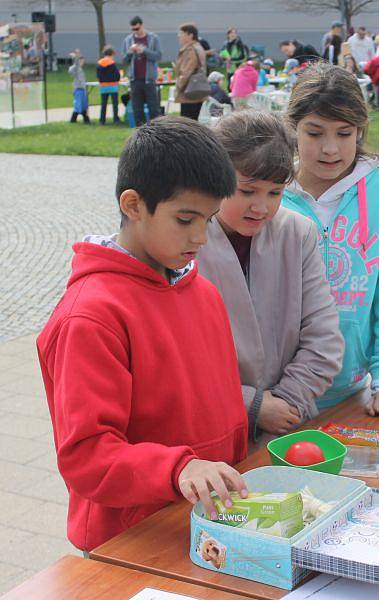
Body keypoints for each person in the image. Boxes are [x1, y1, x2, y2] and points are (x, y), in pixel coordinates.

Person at [36, 116, 250, 552]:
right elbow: (86, 455)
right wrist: (178, 469)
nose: (199, 238)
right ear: (133, 204)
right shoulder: (91, 317)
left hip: (209, 519)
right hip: (130, 539)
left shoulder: (202, 291)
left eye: (207, 220)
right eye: (184, 219)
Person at [198, 111, 344, 441]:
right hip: (210, 432)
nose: (261, 207)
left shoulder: (298, 233)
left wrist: (286, 402)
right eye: (247, 191)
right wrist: (252, 406)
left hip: (286, 426)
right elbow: (179, 359)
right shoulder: (187, 242)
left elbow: (324, 336)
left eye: (275, 193)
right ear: (215, 179)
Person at [282, 63, 379, 417]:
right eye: (314, 133)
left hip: (351, 394)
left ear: (360, 130)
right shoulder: (269, 194)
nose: (330, 149)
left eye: (344, 134)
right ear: (292, 128)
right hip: (276, 393)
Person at [121, 16, 162, 127]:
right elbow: (124, 60)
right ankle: (140, 135)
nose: (135, 32)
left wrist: (144, 50)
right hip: (134, 79)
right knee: (137, 110)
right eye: (133, 29)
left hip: (149, 79)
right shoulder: (128, 40)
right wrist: (130, 52)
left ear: (142, 25)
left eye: (137, 29)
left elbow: (158, 56)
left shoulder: (153, 38)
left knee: (154, 109)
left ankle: (157, 133)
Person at [174, 23, 207, 121]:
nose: (179, 36)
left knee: (187, 123)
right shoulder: (198, 47)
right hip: (197, 89)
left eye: (181, 33)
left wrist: (179, 85)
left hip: (189, 91)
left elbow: (186, 72)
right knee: (194, 122)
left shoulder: (190, 50)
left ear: (190, 35)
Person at [96, 45, 121, 125]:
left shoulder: (99, 63)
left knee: (104, 103)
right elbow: (117, 74)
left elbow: (98, 75)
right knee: (115, 103)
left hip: (103, 86)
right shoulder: (112, 63)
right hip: (113, 86)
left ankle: (102, 120)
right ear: (112, 54)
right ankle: (116, 119)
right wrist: (117, 80)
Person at [68, 50, 90, 124]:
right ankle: (73, 119)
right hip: (78, 90)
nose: (82, 63)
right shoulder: (75, 69)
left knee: (84, 105)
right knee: (78, 105)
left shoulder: (81, 70)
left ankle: (86, 119)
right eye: (81, 61)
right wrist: (76, 57)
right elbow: (75, 66)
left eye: (83, 61)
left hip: (83, 89)